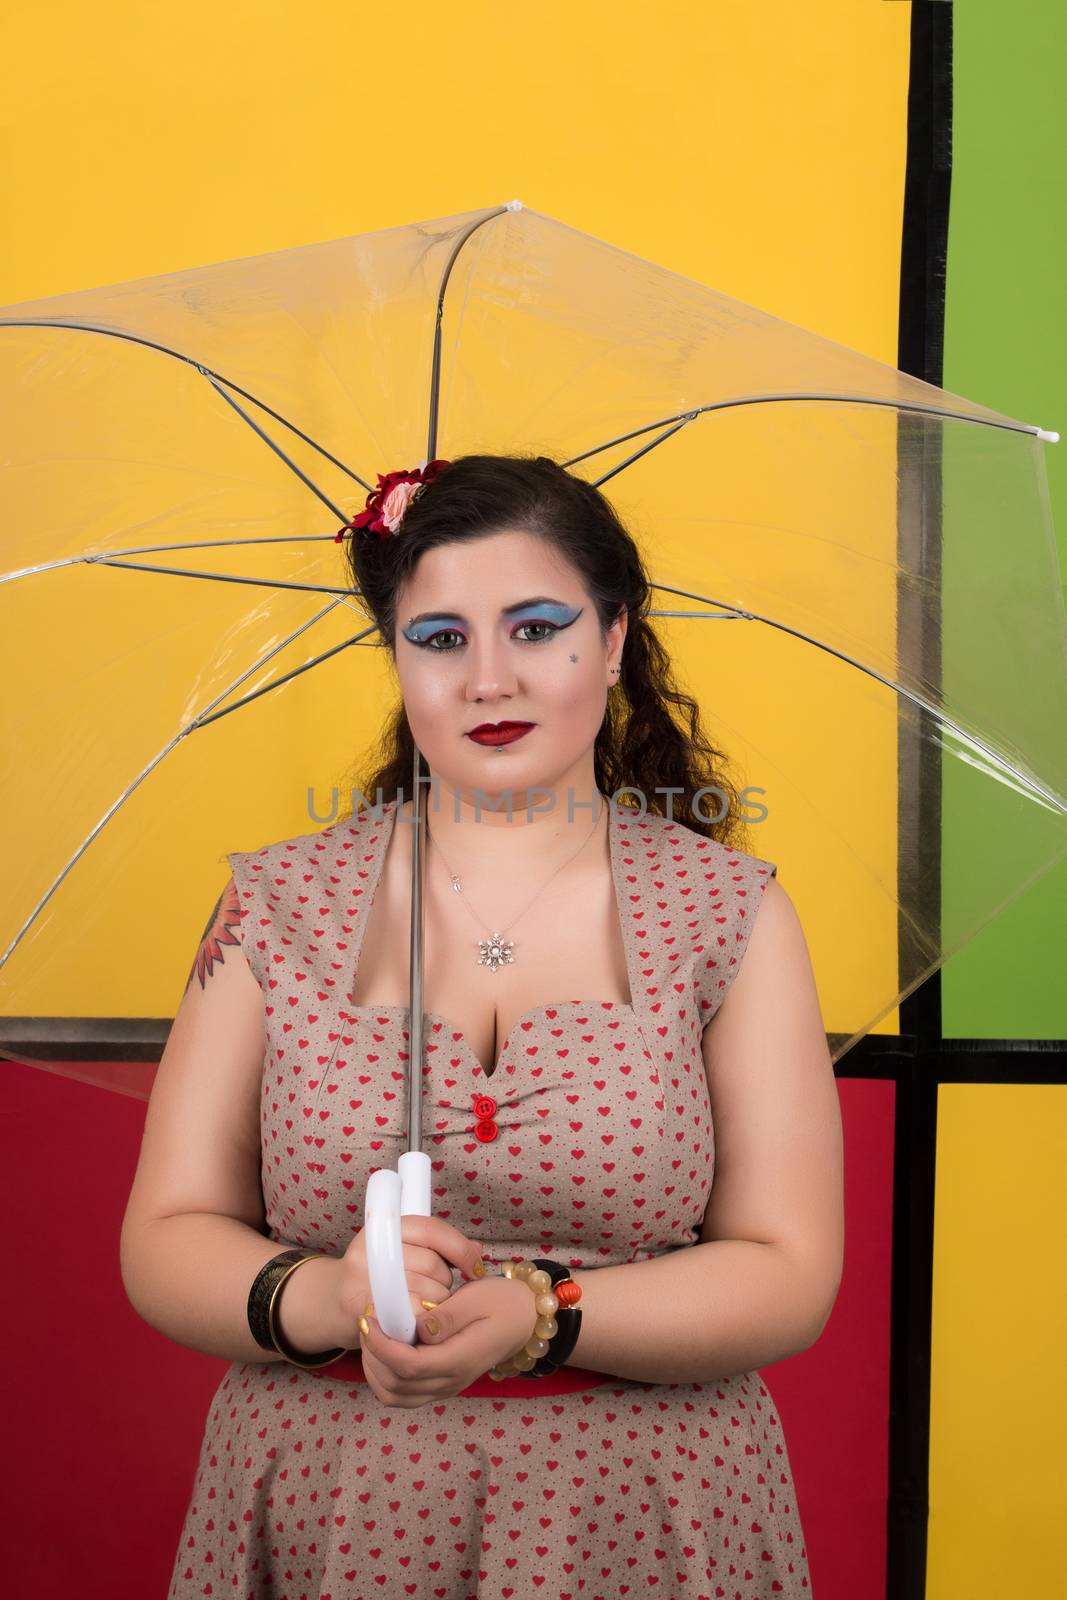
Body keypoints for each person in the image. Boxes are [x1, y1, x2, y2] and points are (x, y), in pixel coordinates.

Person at [120, 452, 843, 1599]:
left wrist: (539, 1312)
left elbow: (788, 1269)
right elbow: (166, 1230)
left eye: (537, 625)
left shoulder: (726, 911)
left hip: (646, 1516)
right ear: (397, 658)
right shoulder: (274, 904)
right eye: (439, 636)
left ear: (610, 642)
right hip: (330, 1507)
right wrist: (329, 1298)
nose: (487, 678)